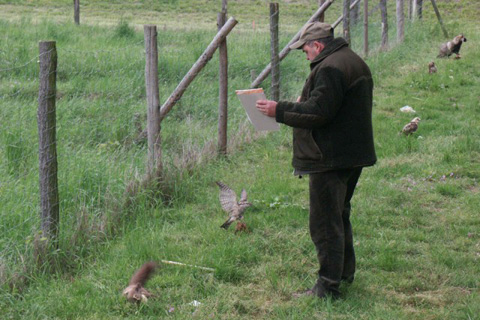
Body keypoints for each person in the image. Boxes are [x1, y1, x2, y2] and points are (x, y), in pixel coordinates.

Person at [256, 21, 376, 299]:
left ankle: (327, 288)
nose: (305, 55)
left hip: (330, 156)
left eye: (305, 50)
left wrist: (280, 110)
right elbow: (332, 105)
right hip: (350, 153)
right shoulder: (350, 59)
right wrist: (301, 103)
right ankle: (343, 273)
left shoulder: (331, 67)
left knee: (325, 222)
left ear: (317, 45)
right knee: (339, 215)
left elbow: (319, 113)